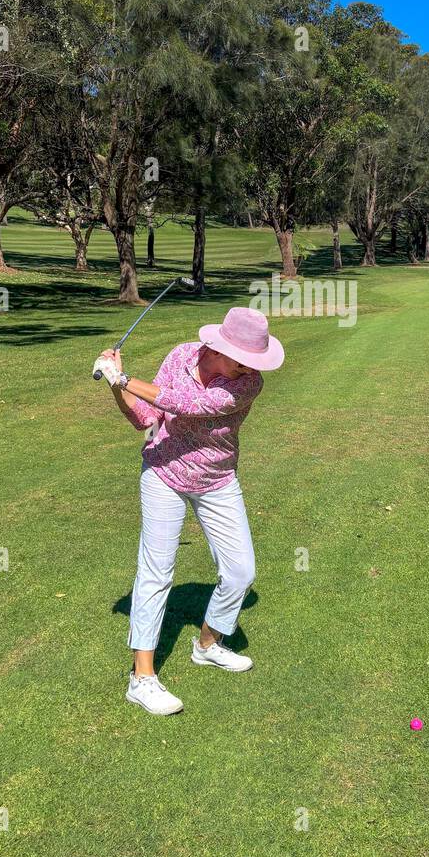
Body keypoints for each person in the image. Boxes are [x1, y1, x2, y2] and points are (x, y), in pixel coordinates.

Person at [93, 306, 284, 715]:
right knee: (156, 572)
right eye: (242, 359)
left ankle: (208, 644)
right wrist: (115, 384)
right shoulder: (181, 356)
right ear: (219, 347)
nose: (249, 367)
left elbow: (188, 405)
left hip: (216, 479)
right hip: (163, 471)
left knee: (240, 571)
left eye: (254, 360)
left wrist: (126, 378)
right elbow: (146, 416)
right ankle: (141, 679)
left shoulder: (248, 385)